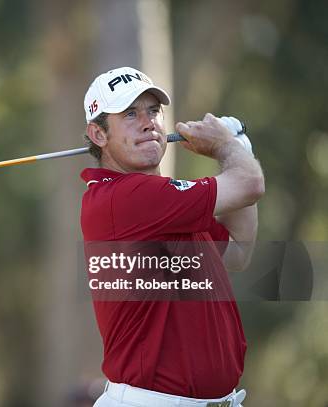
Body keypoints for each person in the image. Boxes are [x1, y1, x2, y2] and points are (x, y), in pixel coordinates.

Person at [80, 67, 264, 407]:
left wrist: (238, 147)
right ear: (98, 134)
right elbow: (250, 185)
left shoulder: (167, 201)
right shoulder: (124, 197)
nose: (148, 122)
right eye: (130, 114)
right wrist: (227, 146)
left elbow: (238, 252)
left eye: (153, 111)